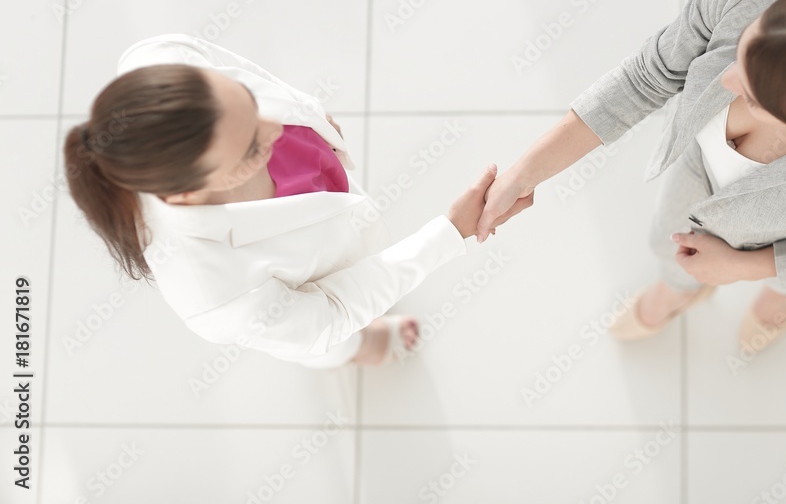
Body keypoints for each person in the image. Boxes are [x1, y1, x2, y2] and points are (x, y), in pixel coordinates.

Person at [476, 0, 786, 352]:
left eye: (753, 98)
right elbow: (646, 78)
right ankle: (681, 291)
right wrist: (524, 174)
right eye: (744, 52)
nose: (726, 83)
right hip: (695, 178)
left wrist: (746, 267)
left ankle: (782, 295)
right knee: (668, 241)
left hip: (781, 236)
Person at [64, 34, 500, 369]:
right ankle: (364, 348)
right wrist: (447, 235)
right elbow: (328, 316)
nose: (277, 129)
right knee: (337, 342)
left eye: (252, 105)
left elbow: (233, 68)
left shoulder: (159, 63)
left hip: (333, 219)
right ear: (188, 193)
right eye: (253, 148)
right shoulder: (214, 291)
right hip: (324, 303)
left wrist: (307, 113)